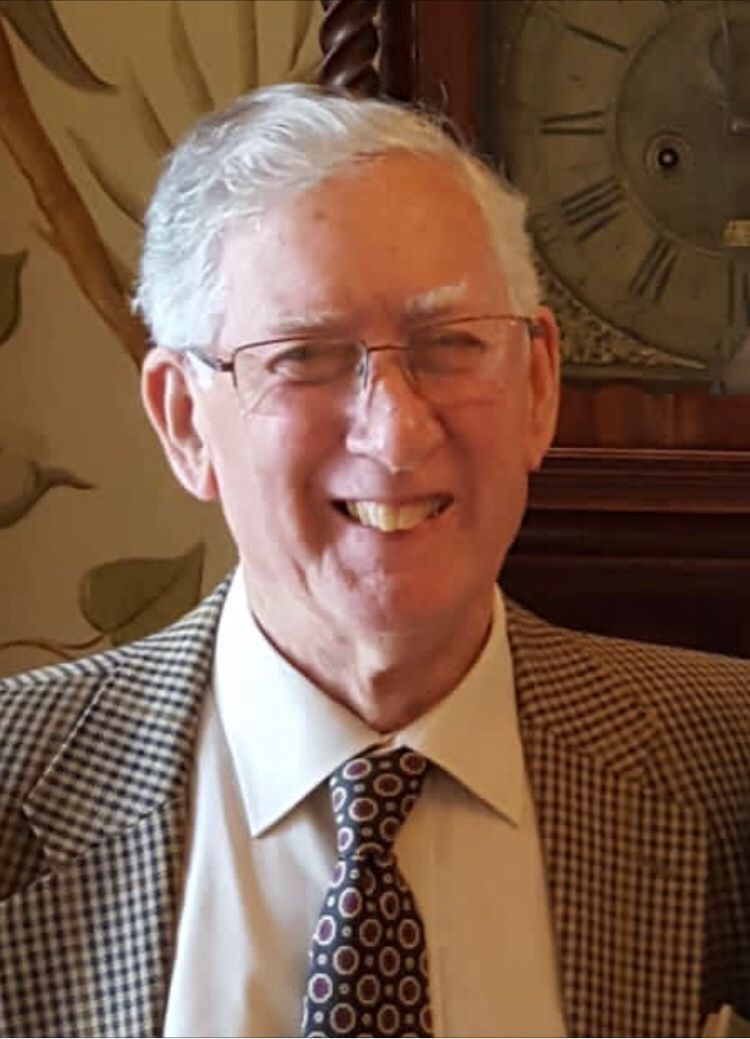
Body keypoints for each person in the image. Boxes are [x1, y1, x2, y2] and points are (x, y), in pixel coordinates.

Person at [1, 84, 749, 1039]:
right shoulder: (18, 783)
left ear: (538, 386)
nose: (395, 433)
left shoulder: (730, 765)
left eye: (449, 345)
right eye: (305, 357)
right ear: (186, 422)